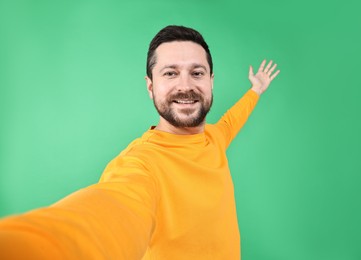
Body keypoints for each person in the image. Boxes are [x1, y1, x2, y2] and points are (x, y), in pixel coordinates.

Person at [0, 25, 280, 259]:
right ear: (150, 86)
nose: (186, 85)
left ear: (211, 81)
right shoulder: (141, 165)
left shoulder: (215, 137)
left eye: (197, 73)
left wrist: (256, 89)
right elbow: (111, 212)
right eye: (170, 73)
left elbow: (234, 118)